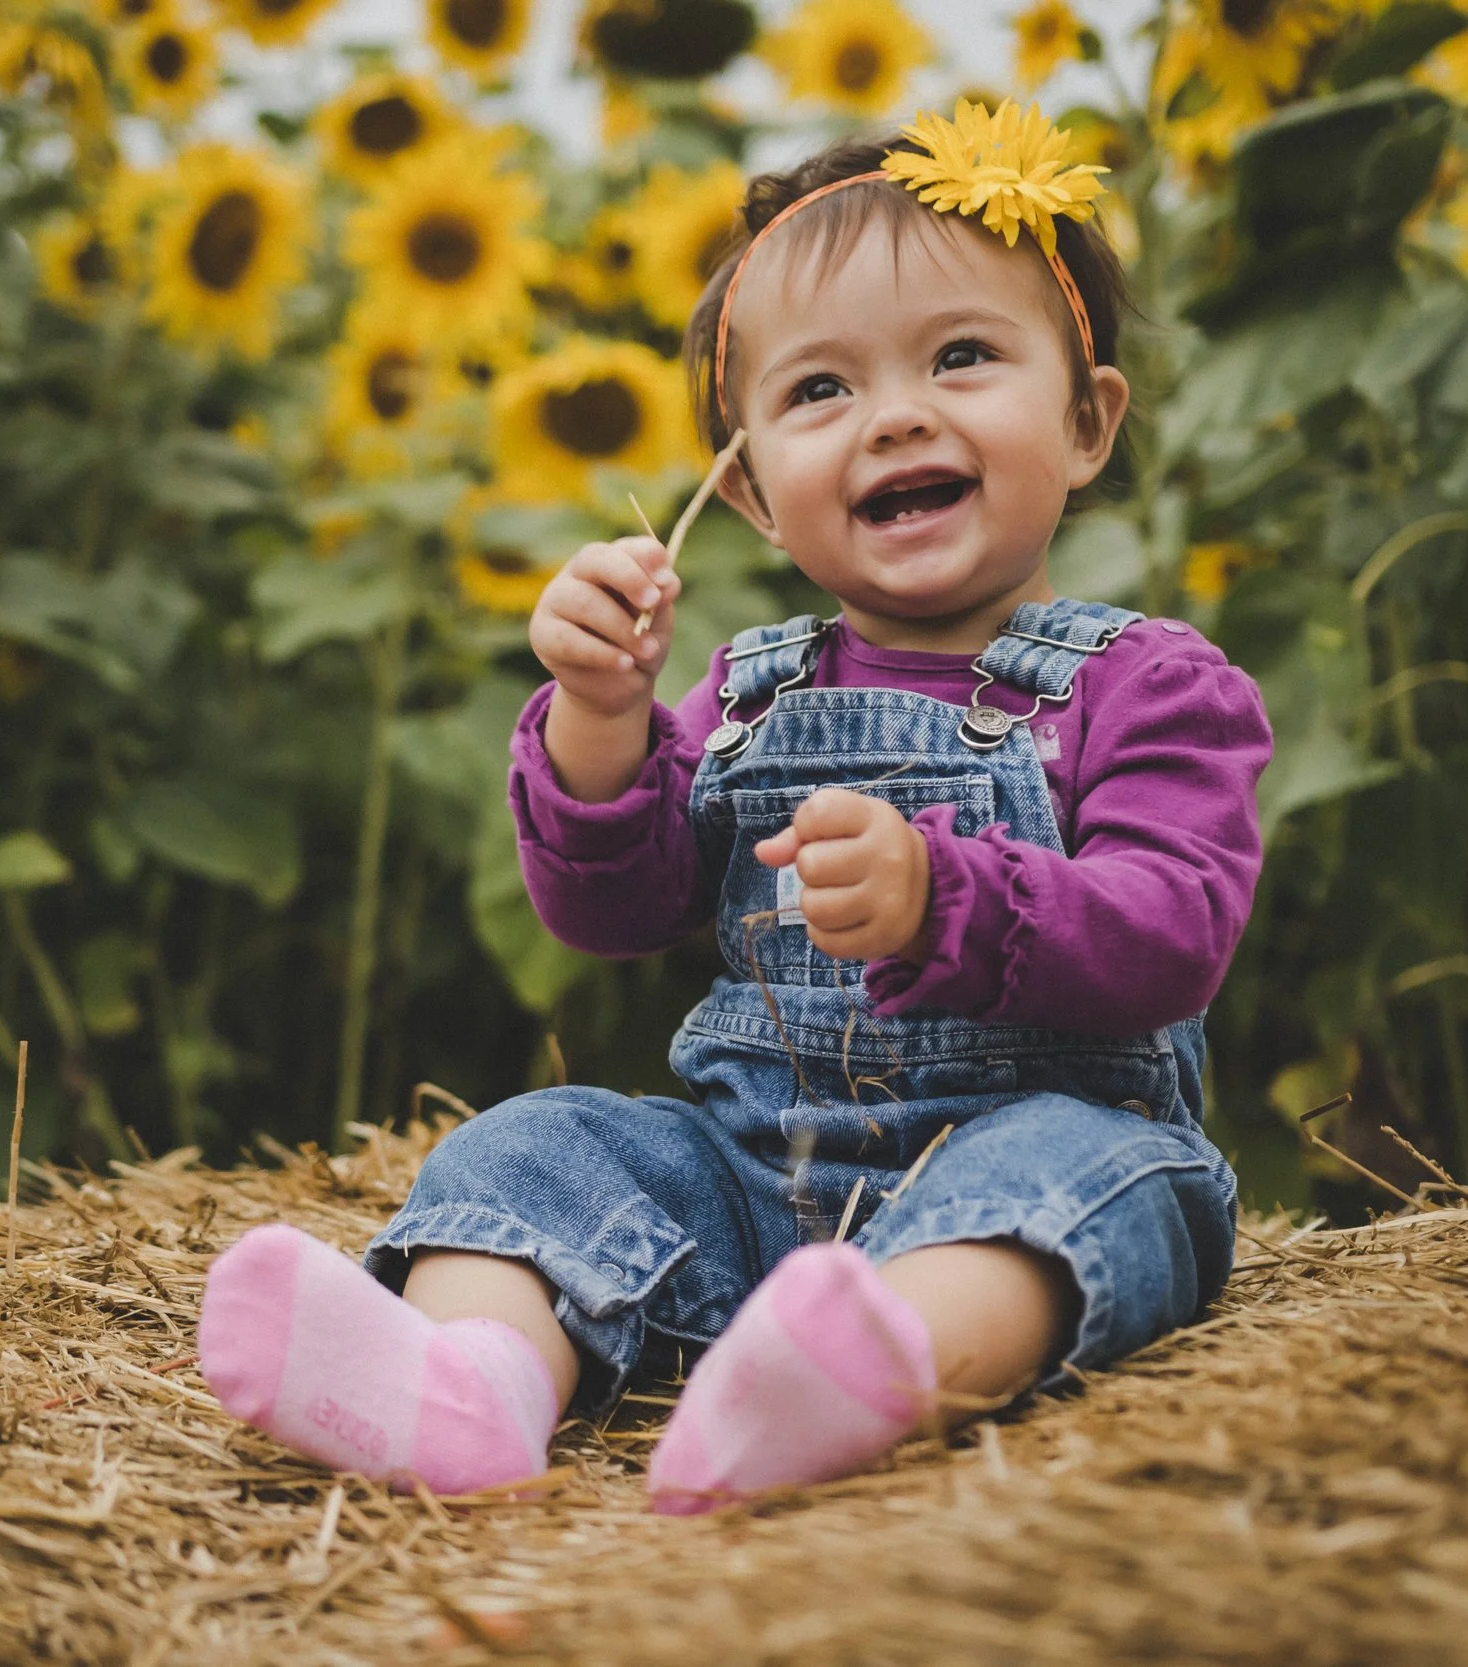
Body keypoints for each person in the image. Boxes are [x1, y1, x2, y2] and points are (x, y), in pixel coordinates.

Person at [198, 100, 1272, 1514]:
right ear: (754, 493)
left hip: (1035, 1142)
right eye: (819, 390)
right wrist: (596, 716)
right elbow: (614, 906)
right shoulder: (746, 692)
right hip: (747, 1179)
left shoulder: (1147, 686)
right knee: (542, 1142)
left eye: (961, 356)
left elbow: (1174, 929)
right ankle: (473, 1381)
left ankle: (868, 1370)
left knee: (1084, 1181)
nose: (895, 413)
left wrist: (945, 894)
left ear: (1086, 420)